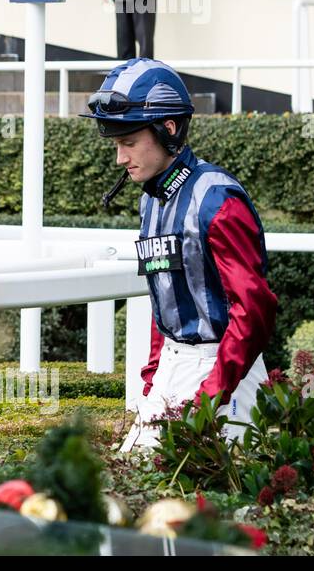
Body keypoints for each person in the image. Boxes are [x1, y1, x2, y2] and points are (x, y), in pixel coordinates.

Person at [80, 59, 275, 453]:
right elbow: (164, 293)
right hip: (173, 367)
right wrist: (153, 377)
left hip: (222, 370)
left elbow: (254, 311)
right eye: (117, 144)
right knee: (131, 493)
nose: (120, 157)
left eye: (129, 142)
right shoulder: (151, 201)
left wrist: (212, 393)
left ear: (168, 129)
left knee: (200, 507)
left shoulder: (217, 199)